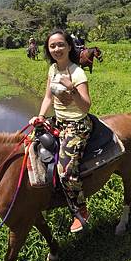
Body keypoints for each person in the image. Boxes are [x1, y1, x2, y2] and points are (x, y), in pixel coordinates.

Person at [30, 28, 92, 233]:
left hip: (77, 125)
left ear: (69, 46)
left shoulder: (77, 72)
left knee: (65, 170)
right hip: (58, 120)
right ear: (48, 50)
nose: (57, 48)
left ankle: (81, 210)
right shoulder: (52, 69)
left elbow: (86, 107)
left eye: (60, 44)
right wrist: (40, 116)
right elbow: (48, 97)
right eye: (52, 45)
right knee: (31, 147)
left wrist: (72, 88)